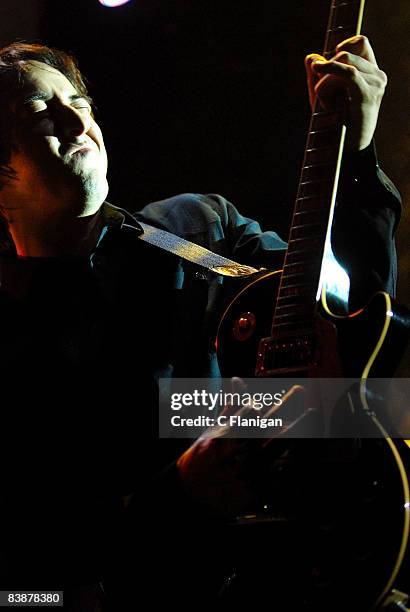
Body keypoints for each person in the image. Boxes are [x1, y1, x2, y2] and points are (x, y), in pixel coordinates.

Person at [0, 35, 401, 610]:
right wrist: (171, 501)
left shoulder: (195, 229)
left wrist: (356, 155)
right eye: (37, 111)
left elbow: (353, 312)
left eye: (79, 103)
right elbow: (23, 595)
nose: (74, 119)